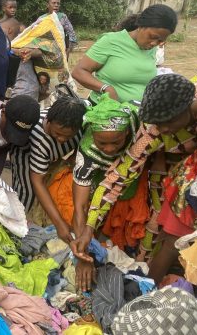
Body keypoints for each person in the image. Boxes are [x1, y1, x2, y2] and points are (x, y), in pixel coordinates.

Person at [70, 74, 197, 285]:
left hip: (194, 173)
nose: (163, 130)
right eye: (157, 125)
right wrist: (89, 229)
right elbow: (117, 177)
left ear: (187, 108)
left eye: (167, 123)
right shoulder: (152, 130)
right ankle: (149, 283)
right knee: (164, 230)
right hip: (175, 174)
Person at [71, 95, 140, 291]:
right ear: (92, 135)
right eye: (102, 144)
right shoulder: (87, 152)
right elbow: (81, 206)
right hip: (100, 174)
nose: (109, 149)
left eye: (116, 143)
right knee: (97, 204)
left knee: (130, 206)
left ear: (127, 132)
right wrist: (84, 254)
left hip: (135, 166)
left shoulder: (138, 120)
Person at [10, 96, 86, 243]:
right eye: (57, 134)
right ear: (48, 122)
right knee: (27, 194)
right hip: (27, 155)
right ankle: (18, 230)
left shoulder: (82, 117)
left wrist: (73, 158)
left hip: (52, 157)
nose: (62, 139)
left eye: (68, 136)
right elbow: (37, 181)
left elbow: (85, 139)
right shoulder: (39, 139)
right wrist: (59, 224)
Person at [72, 4, 177, 104]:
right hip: (105, 112)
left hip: (135, 114)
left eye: (160, 41)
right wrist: (105, 88)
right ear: (141, 25)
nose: (154, 43)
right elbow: (79, 71)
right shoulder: (111, 41)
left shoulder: (151, 48)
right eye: (152, 37)